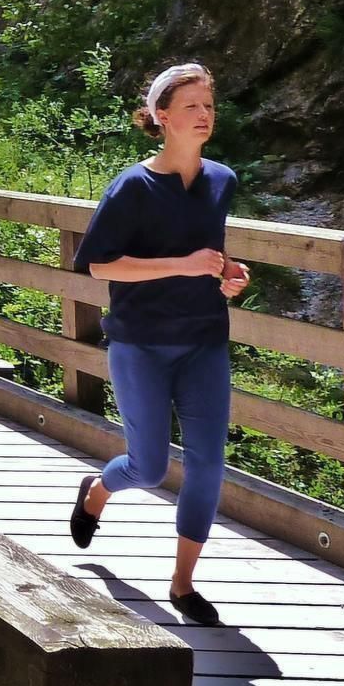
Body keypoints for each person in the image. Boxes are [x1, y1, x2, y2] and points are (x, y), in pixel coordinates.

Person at [67, 62, 250, 626]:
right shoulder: (132, 187)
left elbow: (209, 252)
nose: (204, 114)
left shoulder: (222, 180)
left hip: (204, 340)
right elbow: (99, 266)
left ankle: (182, 583)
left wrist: (230, 275)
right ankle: (97, 490)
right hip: (140, 343)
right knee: (148, 468)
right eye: (191, 105)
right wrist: (183, 265)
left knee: (207, 464)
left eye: (209, 105)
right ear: (161, 116)